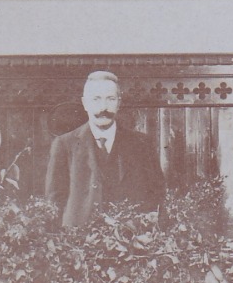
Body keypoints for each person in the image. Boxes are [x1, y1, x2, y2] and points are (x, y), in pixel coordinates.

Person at [44, 70, 165, 227]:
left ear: (119, 103)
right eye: (96, 99)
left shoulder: (142, 144)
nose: (103, 107)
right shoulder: (64, 144)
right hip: (79, 242)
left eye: (110, 99)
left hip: (131, 241)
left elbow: (157, 194)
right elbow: (55, 200)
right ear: (85, 103)